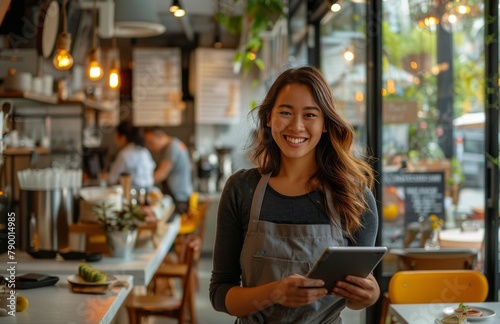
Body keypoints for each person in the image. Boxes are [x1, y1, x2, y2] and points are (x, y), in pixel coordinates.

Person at [209, 66, 380, 323]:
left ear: (325, 124)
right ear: (268, 118)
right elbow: (220, 293)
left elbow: (355, 297)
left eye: (310, 114)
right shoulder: (241, 189)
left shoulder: (355, 196)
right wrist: (273, 293)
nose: (297, 126)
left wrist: (371, 294)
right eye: (285, 112)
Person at [143, 126, 193, 214]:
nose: (150, 147)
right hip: (182, 196)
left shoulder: (172, 148)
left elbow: (161, 174)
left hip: (178, 199)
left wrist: (142, 183)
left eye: (151, 142)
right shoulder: (176, 144)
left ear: (161, 136)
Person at [106, 121, 156, 189]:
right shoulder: (144, 151)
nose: (115, 141)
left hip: (133, 193)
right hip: (150, 189)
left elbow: (112, 179)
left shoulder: (124, 154)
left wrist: (105, 177)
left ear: (123, 137)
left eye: (115, 137)